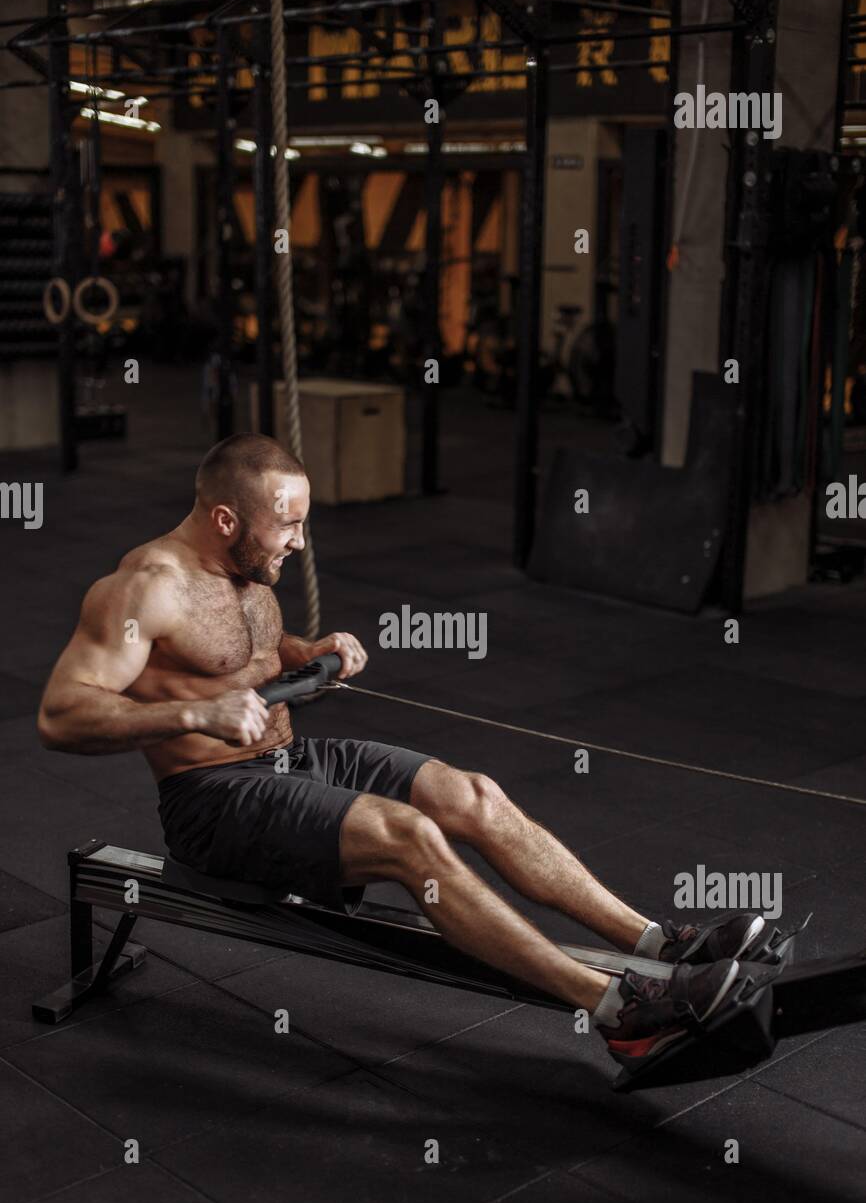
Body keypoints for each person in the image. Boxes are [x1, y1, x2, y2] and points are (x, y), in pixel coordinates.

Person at [37, 433, 762, 1070]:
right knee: (411, 838)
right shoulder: (145, 588)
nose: (298, 540)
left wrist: (307, 651)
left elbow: (244, 653)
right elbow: (62, 715)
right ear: (226, 518)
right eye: (287, 524)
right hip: (213, 800)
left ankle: (659, 944)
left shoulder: (249, 568)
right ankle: (620, 1013)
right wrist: (197, 711)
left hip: (291, 759)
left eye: (303, 522)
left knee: (469, 793)